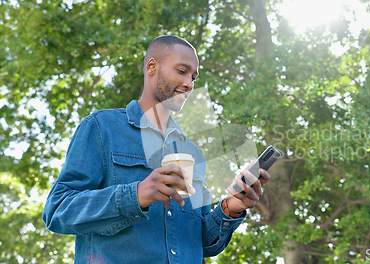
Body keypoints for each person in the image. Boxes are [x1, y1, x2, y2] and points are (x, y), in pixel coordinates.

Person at [42, 35, 271, 264]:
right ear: (152, 67)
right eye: (182, 71)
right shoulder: (101, 128)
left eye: (193, 77)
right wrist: (136, 194)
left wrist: (231, 207)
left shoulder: (193, 153)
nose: (189, 84)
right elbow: (58, 210)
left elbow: (199, 241)